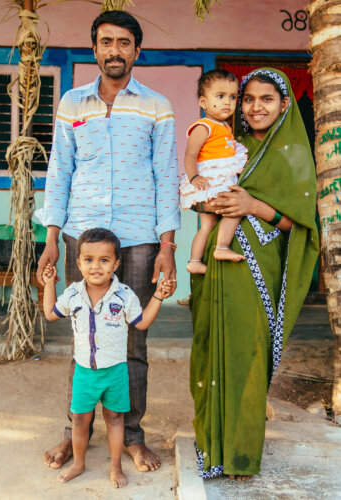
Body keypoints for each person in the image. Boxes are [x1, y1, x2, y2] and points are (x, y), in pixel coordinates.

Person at [36, 10, 180, 473]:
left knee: (133, 341)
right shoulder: (72, 104)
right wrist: (52, 238)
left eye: (123, 42)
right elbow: (60, 172)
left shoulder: (156, 106)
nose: (114, 50)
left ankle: (132, 436)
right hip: (82, 233)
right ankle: (72, 433)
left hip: (139, 237)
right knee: (83, 338)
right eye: (105, 42)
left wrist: (168, 245)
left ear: (137, 51)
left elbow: (165, 175)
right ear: (94, 49)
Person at [190, 68, 318, 480]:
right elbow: (201, 193)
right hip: (218, 264)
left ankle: (242, 454)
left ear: (284, 104)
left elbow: (301, 224)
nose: (255, 107)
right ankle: (212, 444)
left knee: (248, 355)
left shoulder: (294, 154)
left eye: (267, 99)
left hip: (258, 267)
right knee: (213, 351)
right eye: (248, 99)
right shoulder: (230, 143)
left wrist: (253, 205)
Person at [41, 228, 172, 487]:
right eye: (88, 260)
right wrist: (48, 285)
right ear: (78, 263)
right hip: (85, 373)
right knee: (80, 419)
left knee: (115, 419)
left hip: (115, 373)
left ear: (116, 264)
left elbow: (142, 322)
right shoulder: (73, 294)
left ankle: (115, 467)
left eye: (104, 260)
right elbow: (50, 314)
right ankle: (79, 463)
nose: (96, 266)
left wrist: (157, 295)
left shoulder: (124, 295)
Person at [180, 69, 249, 274]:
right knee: (233, 210)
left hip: (216, 180)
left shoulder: (224, 126)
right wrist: (194, 177)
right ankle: (221, 247)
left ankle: (194, 261)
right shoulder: (204, 126)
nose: (228, 102)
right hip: (208, 182)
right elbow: (190, 155)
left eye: (232, 97)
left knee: (206, 226)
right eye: (220, 96)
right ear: (203, 102)